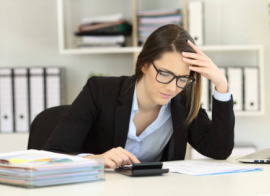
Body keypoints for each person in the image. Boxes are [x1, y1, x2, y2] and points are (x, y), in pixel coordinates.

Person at [43, 24, 235, 169]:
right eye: (165, 74)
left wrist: (221, 84)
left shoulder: (183, 101)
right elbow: (53, 154)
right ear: (143, 64)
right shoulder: (99, 91)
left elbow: (219, 150)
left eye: (182, 78)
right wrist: (95, 159)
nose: (171, 87)